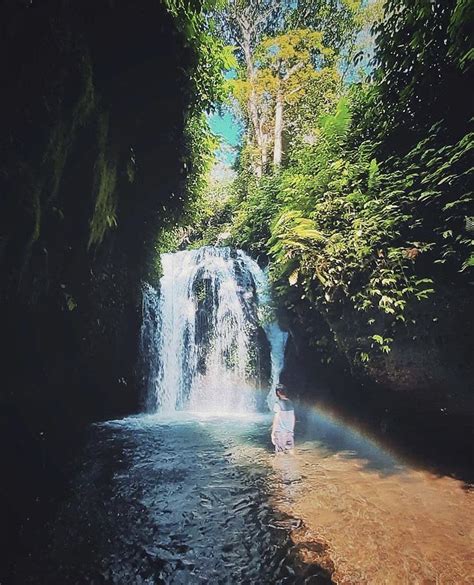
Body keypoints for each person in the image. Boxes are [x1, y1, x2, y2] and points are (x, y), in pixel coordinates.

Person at [271, 384, 295, 453]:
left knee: (280, 454)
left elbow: (276, 418)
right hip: (289, 432)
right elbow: (293, 417)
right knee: (291, 451)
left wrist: (273, 433)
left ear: (278, 392)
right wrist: (291, 430)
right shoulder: (290, 402)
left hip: (280, 433)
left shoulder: (277, 403)